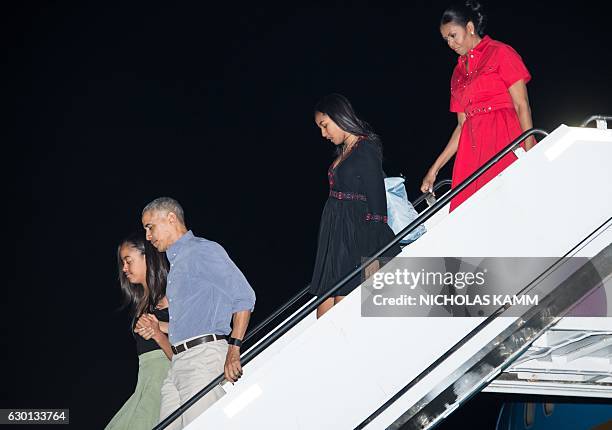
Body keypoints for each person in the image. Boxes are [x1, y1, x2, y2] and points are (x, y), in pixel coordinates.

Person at [141, 197, 256, 429]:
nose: (147, 236)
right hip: (178, 364)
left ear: (171, 218)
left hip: (203, 358)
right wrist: (156, 328)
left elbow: (244, 297)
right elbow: (192, 322)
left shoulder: (202, 250)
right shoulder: (176, 265)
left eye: (150, 227)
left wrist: (234, 349)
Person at [420, 1, 536, 211]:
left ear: (470, 28)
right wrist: (434, 169)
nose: (450, 43)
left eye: (453, 35)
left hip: (503, 137)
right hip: (471, 150)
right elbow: (462, 126)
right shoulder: (457, 75)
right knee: (471, 212)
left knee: (509, 205)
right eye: (446, 39)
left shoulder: (500, 52)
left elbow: (522, 105)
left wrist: (530, 149)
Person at [310, 93, 401, 318]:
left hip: (354, 234)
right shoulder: (346, 150)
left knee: (342, 304)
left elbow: (378, 208)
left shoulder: (365, 148)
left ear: (339, 117)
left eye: (325, 125)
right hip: (337, 235)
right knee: (324, 304)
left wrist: (369, 261)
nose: (323, 134)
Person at [105, 232, 172, 430]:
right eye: (122, 263)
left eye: (128, 261)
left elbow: (188, 335)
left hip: (162, 377)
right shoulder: (143, 300)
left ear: (147, 256)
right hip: (145, 380)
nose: (124, 268)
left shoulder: (168, 294)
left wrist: (158, 330)